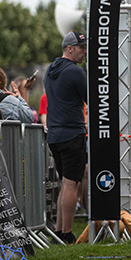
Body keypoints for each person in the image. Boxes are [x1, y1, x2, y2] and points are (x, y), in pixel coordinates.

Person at [44, 31, 88, 245]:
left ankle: (60, 230)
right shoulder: (74, 72)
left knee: (65, 183)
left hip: (54, 134)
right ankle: (66, 233)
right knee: (72, 184)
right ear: (69, 48)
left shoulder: (50, 71)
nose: (85, 52)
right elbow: (92, 98)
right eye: (81, 48)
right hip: (71, 133)